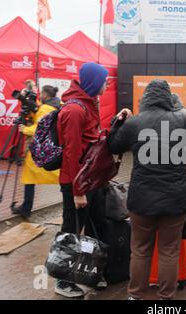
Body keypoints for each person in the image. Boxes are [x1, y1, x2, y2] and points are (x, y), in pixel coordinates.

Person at [108, 79, 186, 300]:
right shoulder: (181, 119)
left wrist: (119, 121)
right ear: (168, 97)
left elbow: (113, 145)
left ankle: (136, 295)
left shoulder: (136, 122)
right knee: (169, 251)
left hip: (142, 198)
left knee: (140, 249)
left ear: (147, 97)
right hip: (176, 197)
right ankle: (166, 297)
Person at [54, 62, 109, 298]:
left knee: (97, 226)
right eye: (104, 81)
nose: (107, 84)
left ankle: (93, 273)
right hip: (77, 183)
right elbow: (71, 153)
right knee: (72, 230)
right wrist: (77, 191)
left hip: (91, 180)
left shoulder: (90, 103)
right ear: (94, 83)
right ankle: (62, 280)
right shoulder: (75, 110)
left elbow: (92, 139)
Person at [12, 84, 61, 218]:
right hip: (50, 148)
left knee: (30, 177)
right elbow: (38, 112)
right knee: (32, 178)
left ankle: (26, 208)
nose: (40, 96)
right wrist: (25, 99)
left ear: (45, 95)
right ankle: (26, 207)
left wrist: (24, 129)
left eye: (41, 94)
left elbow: (40, 127)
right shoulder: (56, 105)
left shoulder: (46, 108)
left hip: (41, 150)